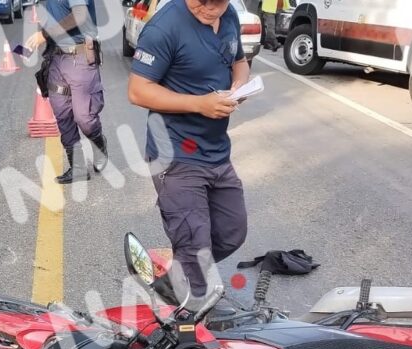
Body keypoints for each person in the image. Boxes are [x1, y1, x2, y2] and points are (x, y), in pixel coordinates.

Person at [128, 0, 250, 307]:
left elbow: (240, 61)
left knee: (232, 232)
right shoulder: (164, 27)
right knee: (196, 249)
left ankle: (177, 276)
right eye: (200, 2)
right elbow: (138, 90)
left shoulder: (230, 14)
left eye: (217, 3)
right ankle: (191, 328)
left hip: (217, 152)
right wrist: (200, 103)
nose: (208, 8)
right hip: (175, 156)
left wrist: (240, 86)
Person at [25, 0, 108, 184]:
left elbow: (80, 15)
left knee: (84, 117)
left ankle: (99, 144)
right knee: (62, 114)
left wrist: (44, 35)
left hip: (79, 57)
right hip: (56, 58)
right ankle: (77, 168)